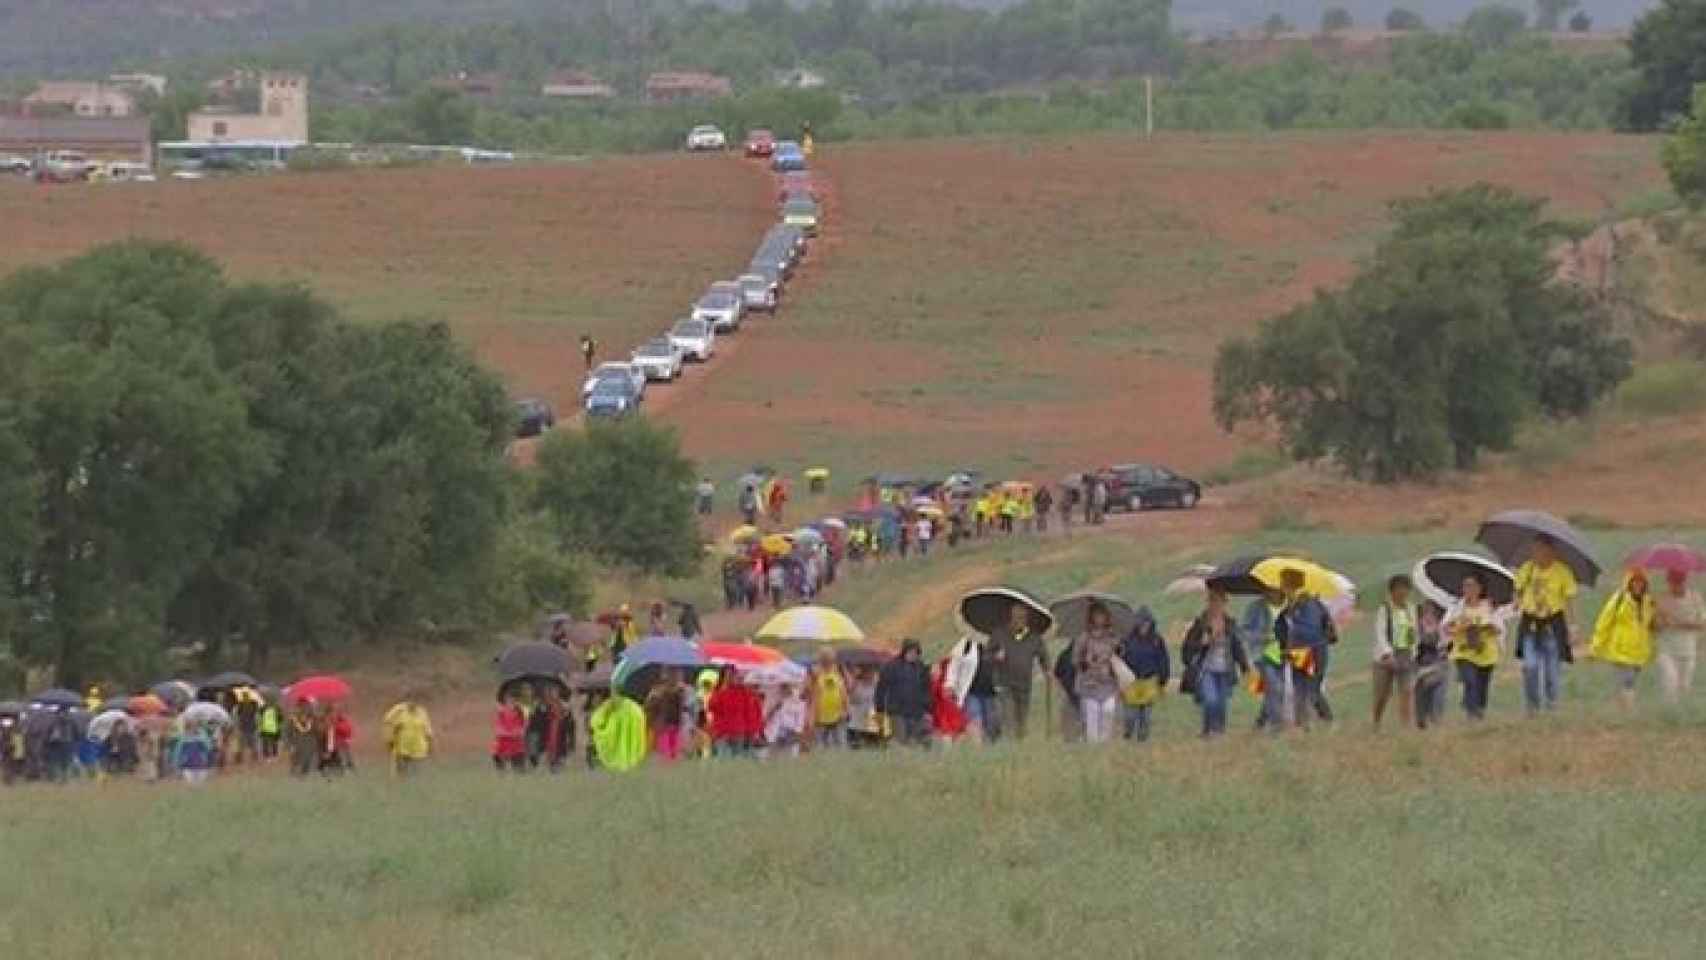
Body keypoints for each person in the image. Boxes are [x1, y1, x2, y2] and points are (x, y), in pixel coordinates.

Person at [1513, 536, 1578, 714]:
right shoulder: (1527, 569)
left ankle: (1552, 707)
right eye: (1535, 550)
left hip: (1553, 624)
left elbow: (1569, 601)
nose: (1538, 554)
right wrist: (1517, 602)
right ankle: (1532, 707)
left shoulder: (1562, 572)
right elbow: (1518, 591)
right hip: (1531, 623)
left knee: (1552, 672)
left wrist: (1572, 627)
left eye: (1542, 550)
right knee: (1530, 666)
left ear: (1552, 552)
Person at [1180, 588, 1249, 737]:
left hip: (1225, 669)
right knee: (1210, 699)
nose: (1216, 605)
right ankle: (1209, 730)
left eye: (1220, 602)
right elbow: (1187, 650)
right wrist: (1203, 643)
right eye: (1213, 601)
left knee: (1222, 703)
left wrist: (1245, 668)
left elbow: (1237, 648)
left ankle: (1218, 731)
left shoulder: (1230, 624)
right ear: (1208, 603)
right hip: (1206, 669)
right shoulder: (1200, 624)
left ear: (1225, 604)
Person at [1590, 569, 1657, 709]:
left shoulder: (1649, 602)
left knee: (1628, 682)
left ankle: (1620, 706)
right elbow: (1604, 621)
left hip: (1640, 650)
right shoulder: (1619, 599)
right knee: (1628, 680)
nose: (1638, 585)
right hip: (1620, 648)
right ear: (1629, 583)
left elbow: (1650, 625)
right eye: (1635, 582)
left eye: (1641, 582)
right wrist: (1596, 645)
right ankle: (1629, 710)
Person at [1277, 569, 1335, 728]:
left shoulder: (1307, 604)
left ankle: (1323, 721)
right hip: (1299, 653)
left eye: (1283, 584)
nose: (1281, 587)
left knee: (1310, 689)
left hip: (1314, 651)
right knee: (1302, 689)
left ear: (1290, 585)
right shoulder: (1291, 608)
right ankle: (1305, 726)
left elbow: (1319, 631)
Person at [1444, 573, 1505, 721]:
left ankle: (1479, 711)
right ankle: (1470, 712)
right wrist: (1460, 627)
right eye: (1466, 586)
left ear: (1480, 588)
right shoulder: (1457, 607)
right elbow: (1447, 627)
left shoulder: (1489, 606)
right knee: (1469, 679)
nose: (1468, 589)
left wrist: (1486, 627)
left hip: (1485, 651)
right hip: (1463, 650)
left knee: (1482, 684)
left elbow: (1498, 629)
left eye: (1472, 586)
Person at [989, 603, 1047, 741]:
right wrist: (995, 657)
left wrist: (1047, 671)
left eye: (1023, 617)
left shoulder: (1034, 638)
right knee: (1008, 716)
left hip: (1024, 684)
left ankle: (1019, 745)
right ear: (1011, 617)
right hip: (1004, 683)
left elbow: (1044, 657)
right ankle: (1008, 742)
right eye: (1017, 617)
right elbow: (986, 656)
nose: (1020, 620)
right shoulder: (999, 634)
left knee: (1022, 718)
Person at [1371, 575, 1419, 730]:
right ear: (1392, 591)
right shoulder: (1384, 609)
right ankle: (1376, 721)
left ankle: (1407, 725)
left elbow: (1414, 631)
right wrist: (1387, 653)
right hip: (1386, 657)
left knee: (1407, 690)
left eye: (1405, 589)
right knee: (1382, 693)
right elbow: (1380, 632)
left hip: (1405, 653)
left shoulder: (1410, 609)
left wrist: (1413, 650)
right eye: (1399, 589)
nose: (1402, 592)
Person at [1117, 606, 1169, 741]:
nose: (1144, 626)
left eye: (1146, 623)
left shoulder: (1157, 640)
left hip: (1149, 681)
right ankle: (1127, 735)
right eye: (1141, 622)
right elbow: (1119, 661)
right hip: (1131, 682)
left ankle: (1142, 741)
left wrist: (1163, 679)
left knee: (1145, 716)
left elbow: (1163, 660)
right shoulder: (1126, 640)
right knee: (1130, 715)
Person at [1073, 602, 1122, 743]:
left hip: (1108, 683)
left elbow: (1120, 656)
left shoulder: (1112, 638)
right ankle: (1093, 748)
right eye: (1096, 615)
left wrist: (1114, 655)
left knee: (1109, 711)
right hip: (1090, 684)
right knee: (1092, 718)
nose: (1099, 618)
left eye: (1102, 615)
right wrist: (1086, 661)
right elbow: (1075, 660)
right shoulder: (1083, 638)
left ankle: (1105, 746)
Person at [1243, 589, 1289, 732]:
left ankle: (1260, 722)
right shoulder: (1256, 607)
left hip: (1283, 655)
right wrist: (1263, 636)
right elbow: (1245, 631)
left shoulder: (1288, 606)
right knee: (1275, 688)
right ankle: (1277, 726)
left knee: (1276, 691)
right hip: (1263, 655)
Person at [1654, 570, 1704, 703]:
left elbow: (1701, 624)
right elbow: (1654, 625)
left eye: (1679, 583)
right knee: (1670, 682)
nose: (1676, 586)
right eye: (1673, 583)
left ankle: (1682, 716)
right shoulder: (1662, 599)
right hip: (1666, 650)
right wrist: (1661, 622)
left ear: (1685, 582)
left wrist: (1679, 623)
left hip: (1688, 650)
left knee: (1684, 686)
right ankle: (1668, 714)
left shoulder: (1695, 598)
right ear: (1669, 583)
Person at [876, 639, 932, 747]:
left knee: (917, 742)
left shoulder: (921, 667)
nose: (913, 654)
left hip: (917, 711)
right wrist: (880, 708)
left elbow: (926, 688)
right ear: (904, 651)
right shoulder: (891, 666)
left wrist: (927, 707)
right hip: (897, 712)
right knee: (899, 742)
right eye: (911, 651)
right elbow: (881, 687)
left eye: (916, 652)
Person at [708, 667, 764, 757]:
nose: (731, 677)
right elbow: (712, 707)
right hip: (722, 732)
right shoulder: (720, 691)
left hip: (738, 733)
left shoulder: (745, 692)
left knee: (736, 760)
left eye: (733, 674)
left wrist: (753, 732)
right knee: (723, 759)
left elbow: (751, 713)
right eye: (729, 675)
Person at [1414, 600, 1450, 729]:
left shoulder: (1442, 627)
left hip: (1439, 667)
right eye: (1425, 612)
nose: (1428, 615)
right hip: (1421, 667)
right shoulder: (1416, 627)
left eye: (1431, 612)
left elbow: (1446, 646)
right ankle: (1422, 722)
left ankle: (1436, 721)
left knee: (1438, 697)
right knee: (1421, 698)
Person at [382, 695, 434, 778]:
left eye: (416, 700)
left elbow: (427, 730)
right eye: (411, 699)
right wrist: (390, 741)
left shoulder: (422, 712)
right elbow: (389, 725)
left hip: (419, 750)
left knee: (417, 776)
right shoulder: (398, 711)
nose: (413, 702)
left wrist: (430, 744)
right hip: (402, 750)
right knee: (402, 776)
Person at [644, 669, 688, 762]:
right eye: (673, 675)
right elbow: (649, 708)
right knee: (666, 756)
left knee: (673, 756)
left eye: (676, 675)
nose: (675, 678)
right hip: (663, 727)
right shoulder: (657, 692)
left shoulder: (681, 691)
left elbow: (682, 709)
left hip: (675, 726)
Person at [526, 686, 572, 773]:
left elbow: (568, 720)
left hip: (559, 729)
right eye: (553, 692)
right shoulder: (544, 704)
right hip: (549, 729)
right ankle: (551, 765)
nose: (554, 694)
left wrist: (565, 716)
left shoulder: (563, 704)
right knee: (549, 747)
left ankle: (556, 765)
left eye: (556, 692)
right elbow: (538, 718)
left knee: (559, 747)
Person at [811, 649, 850, 749]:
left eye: (829, 660)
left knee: (840, 742)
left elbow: (844, 693)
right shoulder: (817, 675)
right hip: (821, 715)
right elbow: (814, 696)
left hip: (837, 714)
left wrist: (846, 710)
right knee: (821, 744)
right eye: (825, 660)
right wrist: (814, 716)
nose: (827, 662)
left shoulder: (837, 674)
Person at [764, 683, 806, 758]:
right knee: (771, 757)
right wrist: (774, 708)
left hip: (791, 734)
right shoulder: (771, 695)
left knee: (791, 757)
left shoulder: (798, 699)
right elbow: (766, 717)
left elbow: (800, 719)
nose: (785, 686)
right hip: (774, 734)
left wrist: (797, 732)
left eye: (788, 684)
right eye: (783, 684)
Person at [491, 693, 527, 773]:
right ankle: (501, 772)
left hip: (516, 743)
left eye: (513, 700)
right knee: (497, 756)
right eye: (509, 700)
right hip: (504, 742)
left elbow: (522, 725)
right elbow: (498, 726)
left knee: (519, 767)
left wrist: (518, 732)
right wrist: (507, 733)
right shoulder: (501, 712)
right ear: (505, 701)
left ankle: (520, 772)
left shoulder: (519, 712)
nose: (511, 702)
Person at [846, 666, 880, 749]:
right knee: (855, 745)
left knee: (872, 745)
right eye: (868, 673)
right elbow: (851, 700)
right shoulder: (856, 685)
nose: (870, 676)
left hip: (871, 717)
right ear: (863, 674)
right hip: (857, 718)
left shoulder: (876, 685)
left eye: (872, 673)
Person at [287, 701, 319, 777]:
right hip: (297, 743)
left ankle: (304, 775)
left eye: (307, 706)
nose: (305, 708)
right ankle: (294, 776)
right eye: (302, 706)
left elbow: (316, 731)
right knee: (295, 761)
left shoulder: (313, 718)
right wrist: (290, 744)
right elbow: (288, 733)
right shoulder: (293, 719)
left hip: (309, 743)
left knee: (307, 761)